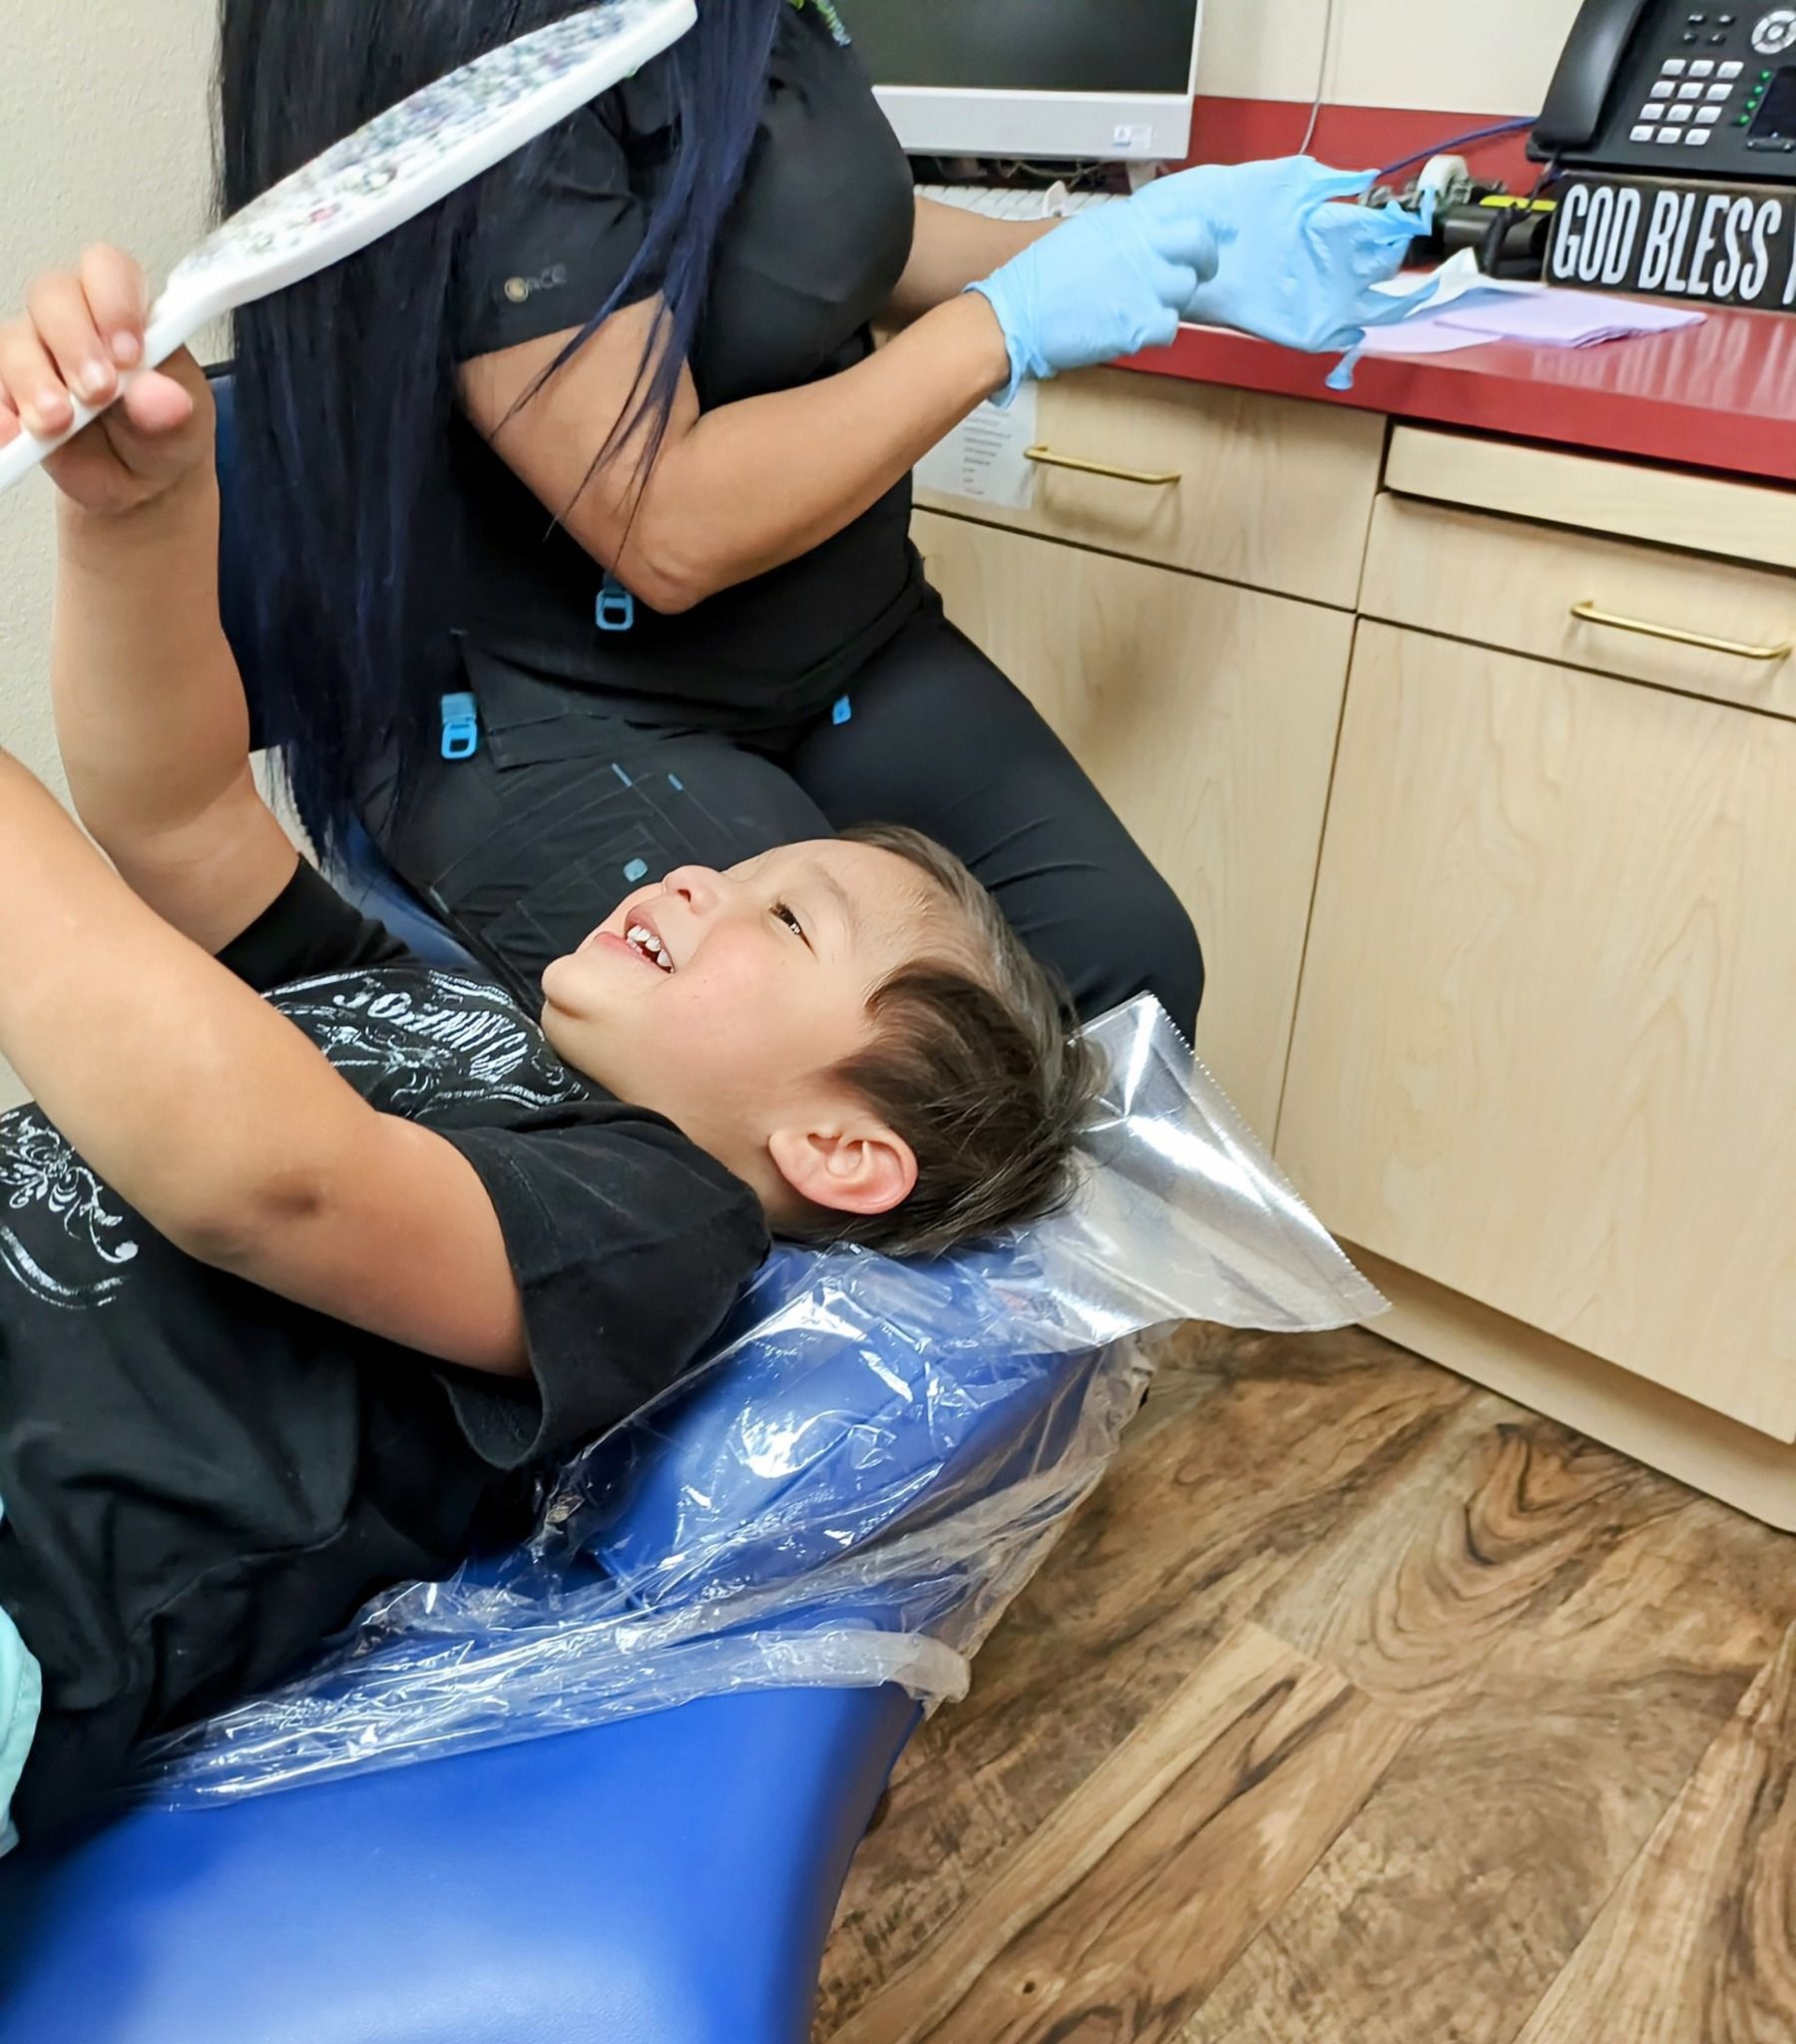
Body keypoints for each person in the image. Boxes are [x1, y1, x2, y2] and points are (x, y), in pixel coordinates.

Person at [0, 249, 1101, 1850]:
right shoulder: (450, 1021)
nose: (701, 879)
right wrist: (137, 517)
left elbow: (271, 1184)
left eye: (786, 925)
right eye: (747, 871)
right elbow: (174, 812)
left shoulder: (661, 1225)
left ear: (839, 1150)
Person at [219, 0, 1214, 1034]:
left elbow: (841, 218)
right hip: (561, 699)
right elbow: (665, 524)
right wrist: (1000, 329)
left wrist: (1158, 249)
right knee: (821, 1050)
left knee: (1126, 970)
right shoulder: (489, 53)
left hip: (841, 645)